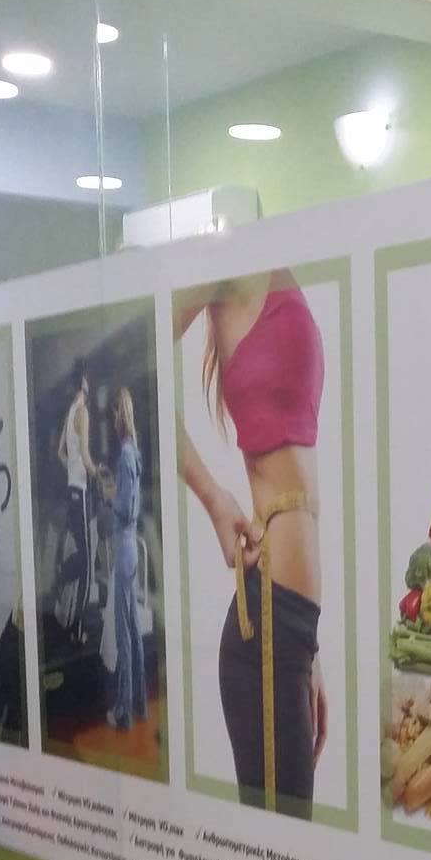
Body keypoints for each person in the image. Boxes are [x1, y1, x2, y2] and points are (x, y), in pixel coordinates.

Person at [174, 271, 327, 815]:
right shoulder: (227, 265)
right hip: (265, 633)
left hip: (290, 632)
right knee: (281, 855)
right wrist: (215, 498)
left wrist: (310, 650)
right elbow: (132, 364)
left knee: (285, 847)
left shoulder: (282, 270)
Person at [106, 387, 146, 733]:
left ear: (119, 416)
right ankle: (141, 703)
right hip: (132, 546)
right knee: (134, 629)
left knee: (123, 633)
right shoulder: (136, 453)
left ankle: (123, 711)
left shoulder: (123, 455)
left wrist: (108, 495)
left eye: (113, 414)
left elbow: (124, 506)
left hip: (122, 547)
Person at [55, 359, 98, 640]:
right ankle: (78, 629)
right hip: (81, 492)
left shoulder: (70, 411)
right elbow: (84, 454)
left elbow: (61, 452)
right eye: (88, 379)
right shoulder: (82, 411)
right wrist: (98, 476)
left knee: (83, 559)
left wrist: (73, 471)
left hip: (72, 489)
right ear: (84, 381)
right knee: (87, 565)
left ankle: (64, 572)